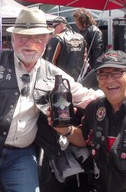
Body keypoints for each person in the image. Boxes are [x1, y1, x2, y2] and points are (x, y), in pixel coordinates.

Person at [0, 8, 103, 192]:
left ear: (46, 42)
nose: (29, 43)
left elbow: (86, 96)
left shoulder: (52, 73)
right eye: (22, 37)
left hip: (21, 155)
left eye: (37, 38)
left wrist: (117, 98)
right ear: (12, 39)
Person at [48, 49, 126, 192]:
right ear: (97, 79)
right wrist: (66, 130)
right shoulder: (94, 108)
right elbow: (84, 138)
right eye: (103, 74)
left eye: (116, 72)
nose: (109, 79)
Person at [44, 16, 87, 81]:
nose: (53, 30)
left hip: (61, 79)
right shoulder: (81, 37)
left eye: (54, 27)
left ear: (61, 25)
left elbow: (50, 62)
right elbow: (84, 58)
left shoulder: (57, 38)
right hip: (78, 78)